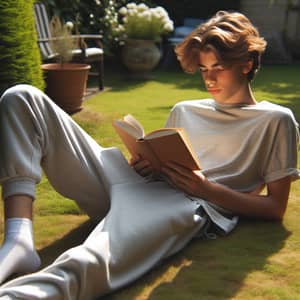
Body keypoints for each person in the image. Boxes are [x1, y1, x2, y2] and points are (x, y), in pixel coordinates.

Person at [0, 10, 298, 300]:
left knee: (91, 260)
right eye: (204, 69)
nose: (209, 79)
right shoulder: (185, 109)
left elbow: (274, 207)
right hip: (135, 184)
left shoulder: (276, 120)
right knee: (21, 97)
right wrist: (147, 165)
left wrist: (207, 189)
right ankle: (19, 237)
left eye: (218, 68)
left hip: (186, 204)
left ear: (246, 64)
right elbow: (163, 162)